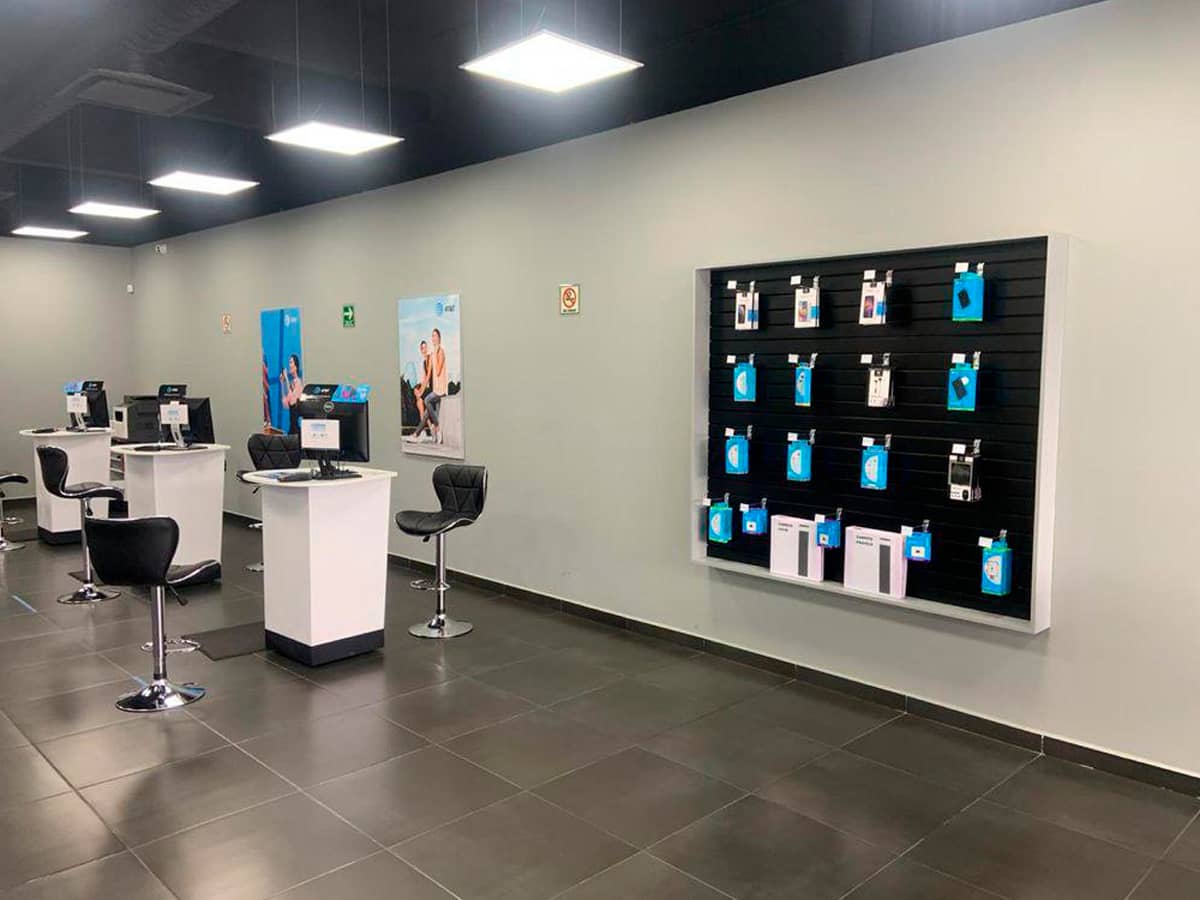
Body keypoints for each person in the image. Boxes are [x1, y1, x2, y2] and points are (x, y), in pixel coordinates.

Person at [280, 353, 304, 434]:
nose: (289, 365)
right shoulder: (292, 383)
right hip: (291, 427)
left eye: (291, 362)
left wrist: (286, 378)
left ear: (296, 366)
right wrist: (282, 383)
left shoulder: (299, 382)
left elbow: (293, 401)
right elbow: (285, 404)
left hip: (296, 428)